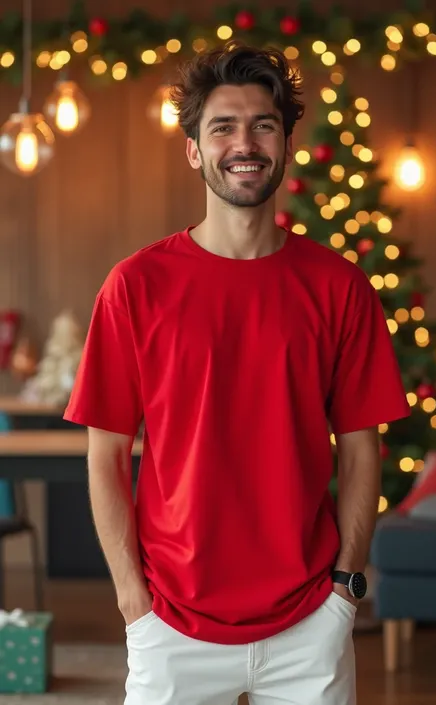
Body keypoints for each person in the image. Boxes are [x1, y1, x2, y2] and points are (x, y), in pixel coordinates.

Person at [64, 42, 411, 705]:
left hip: (311, 620)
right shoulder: (135, 287)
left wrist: (345, 587)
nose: (244, 142)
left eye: (263, 125)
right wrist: (133, 600)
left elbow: (363, 450)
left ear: (284, 145)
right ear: (194, 149)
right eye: (222, 126)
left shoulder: (340, 288)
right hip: (171, 622)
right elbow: (106, 453)